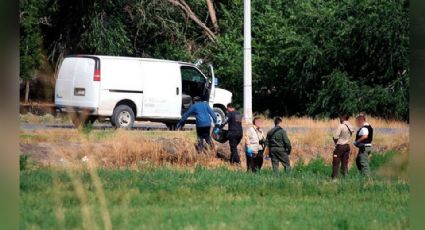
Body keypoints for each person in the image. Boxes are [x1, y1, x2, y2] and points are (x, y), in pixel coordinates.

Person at [331, 114, 354, 179]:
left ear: (342, 118)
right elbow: (351, 133)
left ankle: (334, 178)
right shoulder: (350, 125)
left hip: (340, 146)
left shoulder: (341, 126)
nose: (339, 119)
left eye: (340, 118)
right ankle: (345, 177)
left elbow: (335, 137)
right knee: (345, 162)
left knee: (335, 162)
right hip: (347, 146)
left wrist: (336, 143)